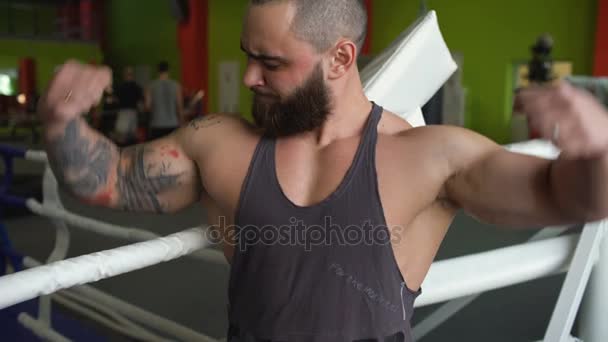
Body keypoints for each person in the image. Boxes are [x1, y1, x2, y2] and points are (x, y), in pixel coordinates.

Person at [37, 1, 608, 341]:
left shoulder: (429, 156)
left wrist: (597, 156)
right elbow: (107, 178)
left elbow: (564, 195)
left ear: (340, 58)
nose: (251, 77)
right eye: (248, 55)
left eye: (272, 62)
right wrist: (61, 118)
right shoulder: (220, 144)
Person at [145, 61, 184, 140]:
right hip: (173, 124)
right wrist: (182, 122)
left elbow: (147, 106)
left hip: (156, 124)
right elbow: (179, 106)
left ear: (157, 71)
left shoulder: (150, 86)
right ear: (168, 70)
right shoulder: (176, 85)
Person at [113, 66, 144, 145]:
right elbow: (140, 104)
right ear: (132, 75)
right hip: (133, 114)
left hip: (123, 113)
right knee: (132, 138)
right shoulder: (137, 87)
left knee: (121, 139)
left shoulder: (120, 87)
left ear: (124, 75)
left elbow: (115, 100)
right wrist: (141, 114)